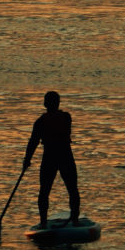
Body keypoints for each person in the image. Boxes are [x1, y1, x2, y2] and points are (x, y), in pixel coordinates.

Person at [24, 91, 80, 229]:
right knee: (72, 189)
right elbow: (34, 141)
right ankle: (74, 219)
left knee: (45, 190)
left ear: (45, 104)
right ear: (58, 103)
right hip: (64, 155)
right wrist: (27, 159)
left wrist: (27, 159)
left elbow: (33, 142)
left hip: (51, 156)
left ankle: (44, 221)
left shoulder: (41, 122)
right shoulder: (66, 117)